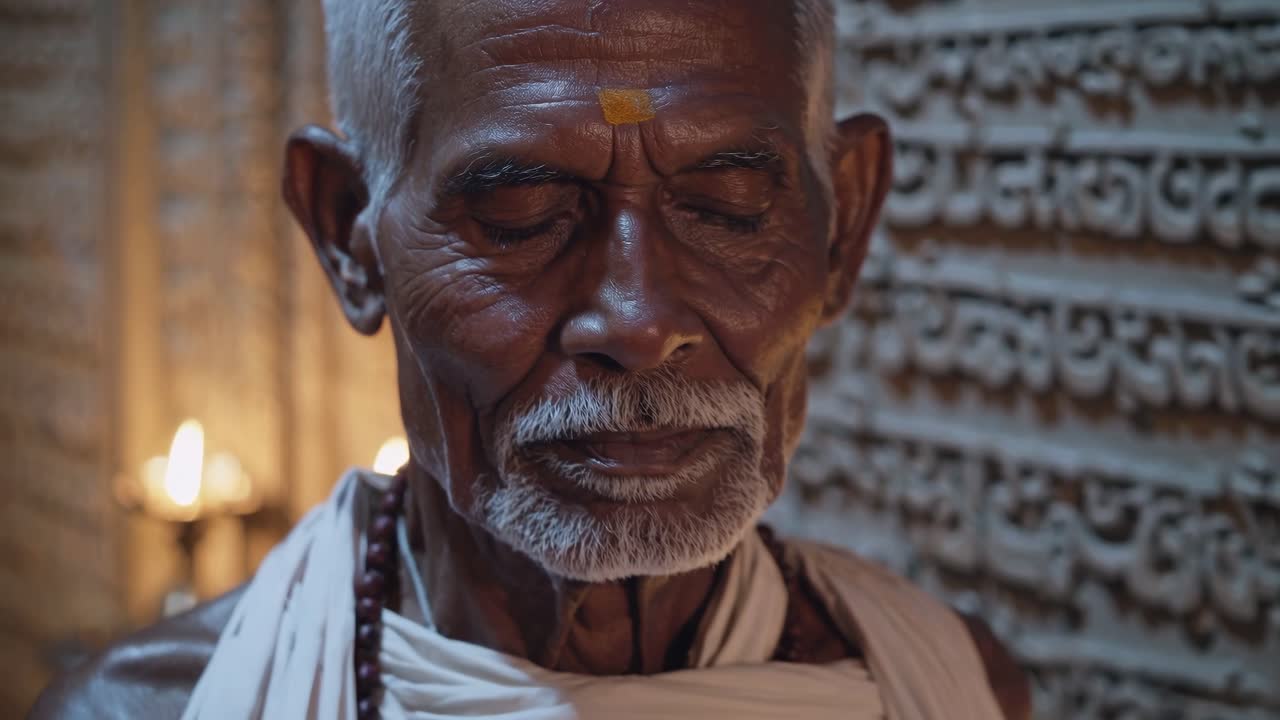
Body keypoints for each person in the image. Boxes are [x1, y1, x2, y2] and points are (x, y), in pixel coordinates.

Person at [33, 0, 1030, 718]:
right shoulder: (146, 709)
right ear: (348, 237)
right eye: (519, 216)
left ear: (841, 227)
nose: (638, 322)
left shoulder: (941, 690)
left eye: (725, 211)